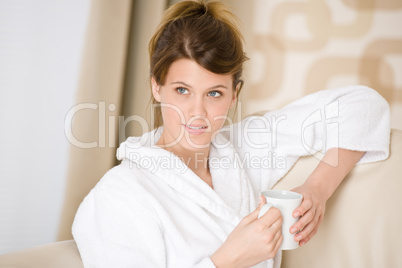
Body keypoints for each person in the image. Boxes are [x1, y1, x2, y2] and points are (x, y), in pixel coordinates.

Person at [72, 1, 390, 267]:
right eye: (182, 90)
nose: (197, 113)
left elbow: (363, 106)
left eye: (214, 94)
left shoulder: (242, 149)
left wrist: (317, 189)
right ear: (157, 86)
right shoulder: (117, 196)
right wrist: (226, 260)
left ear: (234, 95)